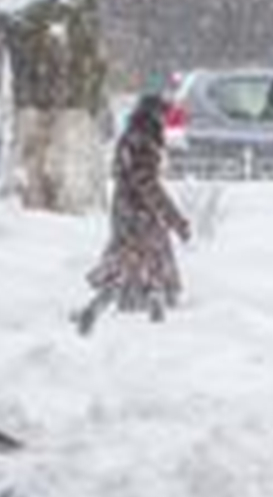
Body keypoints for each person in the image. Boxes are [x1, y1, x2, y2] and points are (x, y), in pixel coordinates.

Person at [74, 95, 192, 336]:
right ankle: (154, 316)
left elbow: (133, 178)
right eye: (165, 119)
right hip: (140, 214)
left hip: (127, 211)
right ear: (155, 117)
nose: (169, 128)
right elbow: (147, 184)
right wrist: (174, 219)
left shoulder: (134, 137)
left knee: (129, 262)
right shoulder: (144, 142)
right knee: (150, 262)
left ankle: (107, 306)